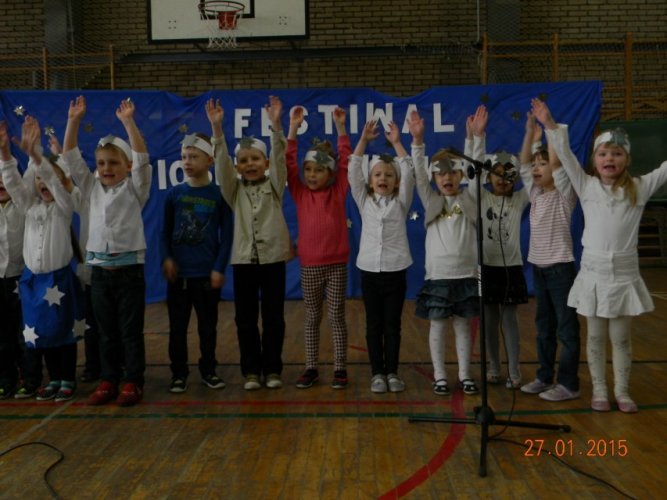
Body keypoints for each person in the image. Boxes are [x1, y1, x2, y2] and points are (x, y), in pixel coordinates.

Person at [533, 97, 667, 413]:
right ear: (595, 161)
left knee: (620, 338)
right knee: (594, 338)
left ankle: (622, 391)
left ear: (627, 160)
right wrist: (549, 125)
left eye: (617, 153)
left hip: (623, 277)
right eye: (604, 153)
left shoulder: (640, 187)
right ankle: (600, 391)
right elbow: (565, 156)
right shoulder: (587, 186)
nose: (610, 158)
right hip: (593, 276)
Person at [61, 95, 152, 407]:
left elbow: (142, 159)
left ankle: (133, 381)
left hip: (129, 273)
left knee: (129, 332)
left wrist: (128, 123)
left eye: (113, 163)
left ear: (127, 166)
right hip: (99, 273)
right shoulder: (90, 188)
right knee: (105, 332)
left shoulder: (136, 188)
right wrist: (73, 120)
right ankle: (109, 379)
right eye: (101, 163)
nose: (106, 168)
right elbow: (70, 156)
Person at [208, 96, 291, 391]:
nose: (250, 164)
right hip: (243, 261)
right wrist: (217, 130)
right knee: (245, 319)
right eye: (243, 161)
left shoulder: (274, 186)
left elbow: (280, 157)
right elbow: (221, 165)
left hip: (273, 261)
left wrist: (276, 125)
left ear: (265, 163)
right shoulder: (233, 190)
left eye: (255, 159)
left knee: (273, 318)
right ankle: (252, 371)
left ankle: (273, 369)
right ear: (238, 167)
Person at [1, 116, 82, 403]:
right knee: (42, 332)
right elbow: (14, 184)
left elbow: (56, 183)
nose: (42, 182)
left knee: (63, 332)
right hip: (33, 281)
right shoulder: (29, 206)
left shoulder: (63, 206)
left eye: (47, 178)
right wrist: (5, 153)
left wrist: (36, 156)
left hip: (58, 279)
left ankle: (67, 378)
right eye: (37, 179)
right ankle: (53, 378)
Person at [408, 110, 480, 396]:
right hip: (438, 276)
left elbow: (476, 171)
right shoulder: (431, 200)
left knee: (463, 328)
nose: (446, 177)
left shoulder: (469, 198)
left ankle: (465, 375)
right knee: (437, 327)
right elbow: (418, 174)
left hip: (465, 276)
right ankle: (440, 376)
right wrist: (418, 141)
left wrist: (473, 138)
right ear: (435, 178)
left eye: (452, 172)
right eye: (440, 173)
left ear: (460, 175)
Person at [160, 132, 233, 393]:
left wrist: (218, 268)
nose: (187, 162)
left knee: (207, 328)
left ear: (209, 161)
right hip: (179, 277)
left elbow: (227, 237)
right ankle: (178, 373)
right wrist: (167, 259)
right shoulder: (174, 194)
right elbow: (164, 233)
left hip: (205, 276)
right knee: (177, 329)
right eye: (184, 157)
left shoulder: (219, 195)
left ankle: (208, 370)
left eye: (193, 157)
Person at [286, 105, 352, 389]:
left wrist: (341, 128)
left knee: (336, 317)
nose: (312, 175)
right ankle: (310, 367)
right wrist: (293, 128)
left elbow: (347, 162)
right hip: (310, 266)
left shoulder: (338, 191)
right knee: (312, 317)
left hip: (336, 265)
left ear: (331, 173)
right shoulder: (300, 192)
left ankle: (340, 368)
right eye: (309, 170)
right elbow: (288, 164)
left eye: (319, 170)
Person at [518, 112, 581, 402]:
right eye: (536, 164)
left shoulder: (564, 193)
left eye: (542, 164)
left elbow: (557, 164)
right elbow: (523, 164)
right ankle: (544, 377)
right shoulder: (536, 195)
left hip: (560, 271)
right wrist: (529, 133)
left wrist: (547, 127)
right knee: (544, 329)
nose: (536, 168)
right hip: (540, 271)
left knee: (566, 330)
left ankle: (568, 384)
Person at [348, 120, 414, 393]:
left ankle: (392, 372)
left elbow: (409, 170)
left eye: (388, 175)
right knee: (373, 325)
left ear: (396, 181)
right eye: (377, 174)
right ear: (370, 180)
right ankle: (377, 372)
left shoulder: (401, 202)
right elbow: (353, 170)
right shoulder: (364, 201)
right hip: (369, 272)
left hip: (395, 270)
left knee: (392, 325)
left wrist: (397, 142)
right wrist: (363, 141)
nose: (382, 179)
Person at [468, 105, 529, 390]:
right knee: (489, 321)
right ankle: (493, 367)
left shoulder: (519, 199)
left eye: (509, 175)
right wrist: (478, 137)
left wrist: (531, 136)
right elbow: (474, 173)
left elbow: (529, 173)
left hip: (511, 268)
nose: (503, 179)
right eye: (497, 174)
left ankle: (514, 370)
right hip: (486, 267)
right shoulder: (482, 198)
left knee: (510, 321)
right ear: (489, 177)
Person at [0, 121, 26, 399]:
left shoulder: (22, 206)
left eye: (4, 179)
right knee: (2, 337)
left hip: (20, 278)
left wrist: (5, 150)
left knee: (22, 333)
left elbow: (14, 180)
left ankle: (28, 375)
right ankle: (5, 377)